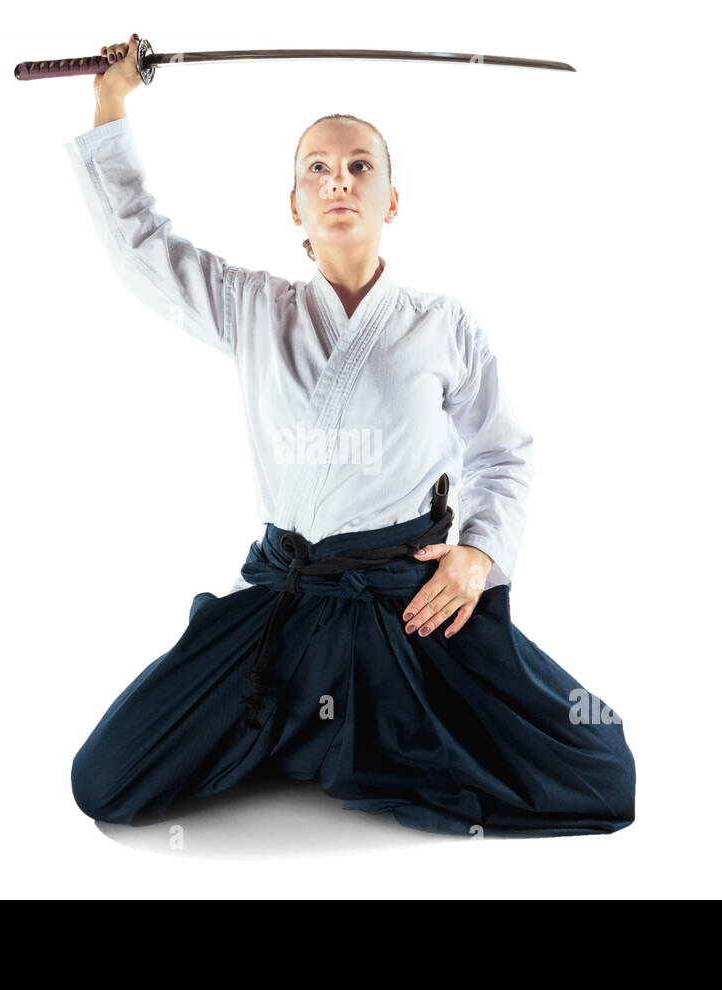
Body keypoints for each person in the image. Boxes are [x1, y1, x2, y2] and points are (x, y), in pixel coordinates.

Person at [63, 33, 636, 837]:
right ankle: (301, 725)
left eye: (361, 165)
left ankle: (320, 734)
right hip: (287, 595)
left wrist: (479, 554)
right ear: (293, 205)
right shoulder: (253, 309)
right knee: (106, 776)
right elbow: (143, 247)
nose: (339, 180)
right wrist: (109, 102)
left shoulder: (444, 324)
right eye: (318, 169)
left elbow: (502, 452)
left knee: (599, 757)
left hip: (409, 597)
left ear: (391, 200)